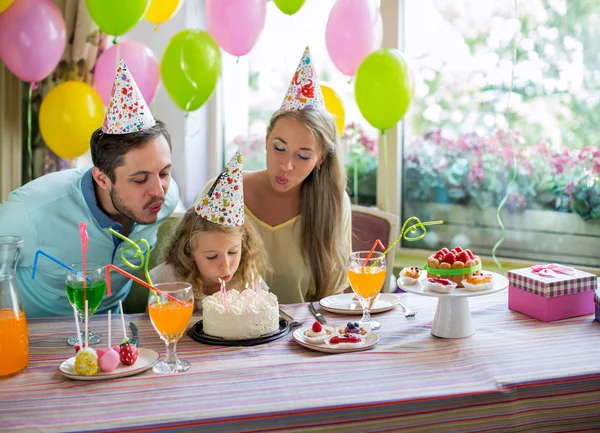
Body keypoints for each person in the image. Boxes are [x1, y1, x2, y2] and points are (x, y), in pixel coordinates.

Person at [0, 59, 179, 318]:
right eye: (140, 179)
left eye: (164, 173)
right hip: (36, 336)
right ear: (102, 178)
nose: (158, 191)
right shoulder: (29, 213)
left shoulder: (167, 198)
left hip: (112, 332)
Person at [207, 47, 352, 304]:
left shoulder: (335, 203)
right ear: (266, 140)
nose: (286, 165)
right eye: (279, 148)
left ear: (320, 160)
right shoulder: (224, 191)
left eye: (303, 156)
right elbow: (186, 273)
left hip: (303, 338)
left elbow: (334, 298)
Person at [151, 152, 269, 309]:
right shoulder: (170, 280)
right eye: (212, 257)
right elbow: (154, 325)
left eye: (233, 252)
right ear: (189, 251)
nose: (226, 266)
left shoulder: (246, 276)